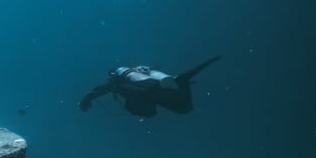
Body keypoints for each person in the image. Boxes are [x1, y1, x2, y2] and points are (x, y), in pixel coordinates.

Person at [79, 55, 221, 117]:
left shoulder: (117, 82)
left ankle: (180, 83)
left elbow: (102, 89)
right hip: (157, 91)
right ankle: (180, 83)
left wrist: (87, 99)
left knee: (182, 108)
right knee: (184, 108)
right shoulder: (135, 75)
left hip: (151, 92)